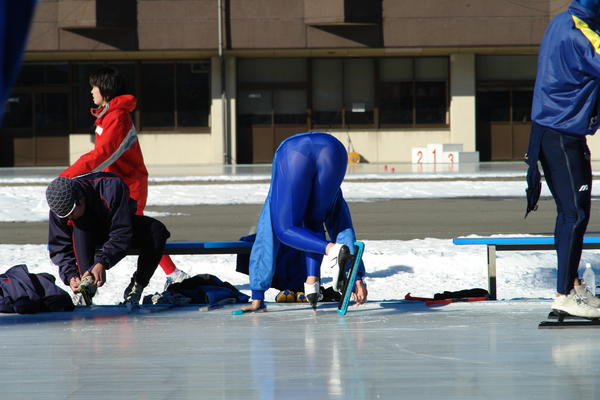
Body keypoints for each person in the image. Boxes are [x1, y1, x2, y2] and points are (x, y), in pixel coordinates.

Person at [60, 66, 189, 289]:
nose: (91, 91)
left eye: (94, 87)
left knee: (136, 230)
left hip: (129, 185)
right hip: (113, 185)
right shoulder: (107, 115)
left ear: (106, 90)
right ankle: (87, 276)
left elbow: (101, 155)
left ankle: (171, 273)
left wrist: (67, 176)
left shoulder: (117, 116)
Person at [526, 0, 600, 318]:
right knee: (575, 214)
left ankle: (570, 283)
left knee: (570, 213)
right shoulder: (582, 35)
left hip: (550, 129)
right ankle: (564, 293)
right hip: (561, 133)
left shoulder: (561, 20)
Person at [242, 132, 368, 312]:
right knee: (315, 220)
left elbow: (266, 234)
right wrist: (356, 276)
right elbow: (342, 225)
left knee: (283, 229)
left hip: (293, 151)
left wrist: (257, 294)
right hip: (334, 149)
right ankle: (312, 282)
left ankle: (331, 251)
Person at [46, 172, 170, 309]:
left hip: (112, 226)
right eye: (65, 216)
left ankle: (137, 287)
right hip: (84, 234)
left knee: (157, 230)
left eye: (72, 213)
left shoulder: (111, 188)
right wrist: (70, 275)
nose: (69, 217)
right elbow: (59, 246)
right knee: (80, 224)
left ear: (80, 198)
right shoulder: (60, 209)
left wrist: (102, 262)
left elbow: (121, 232)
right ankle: (85, 287)